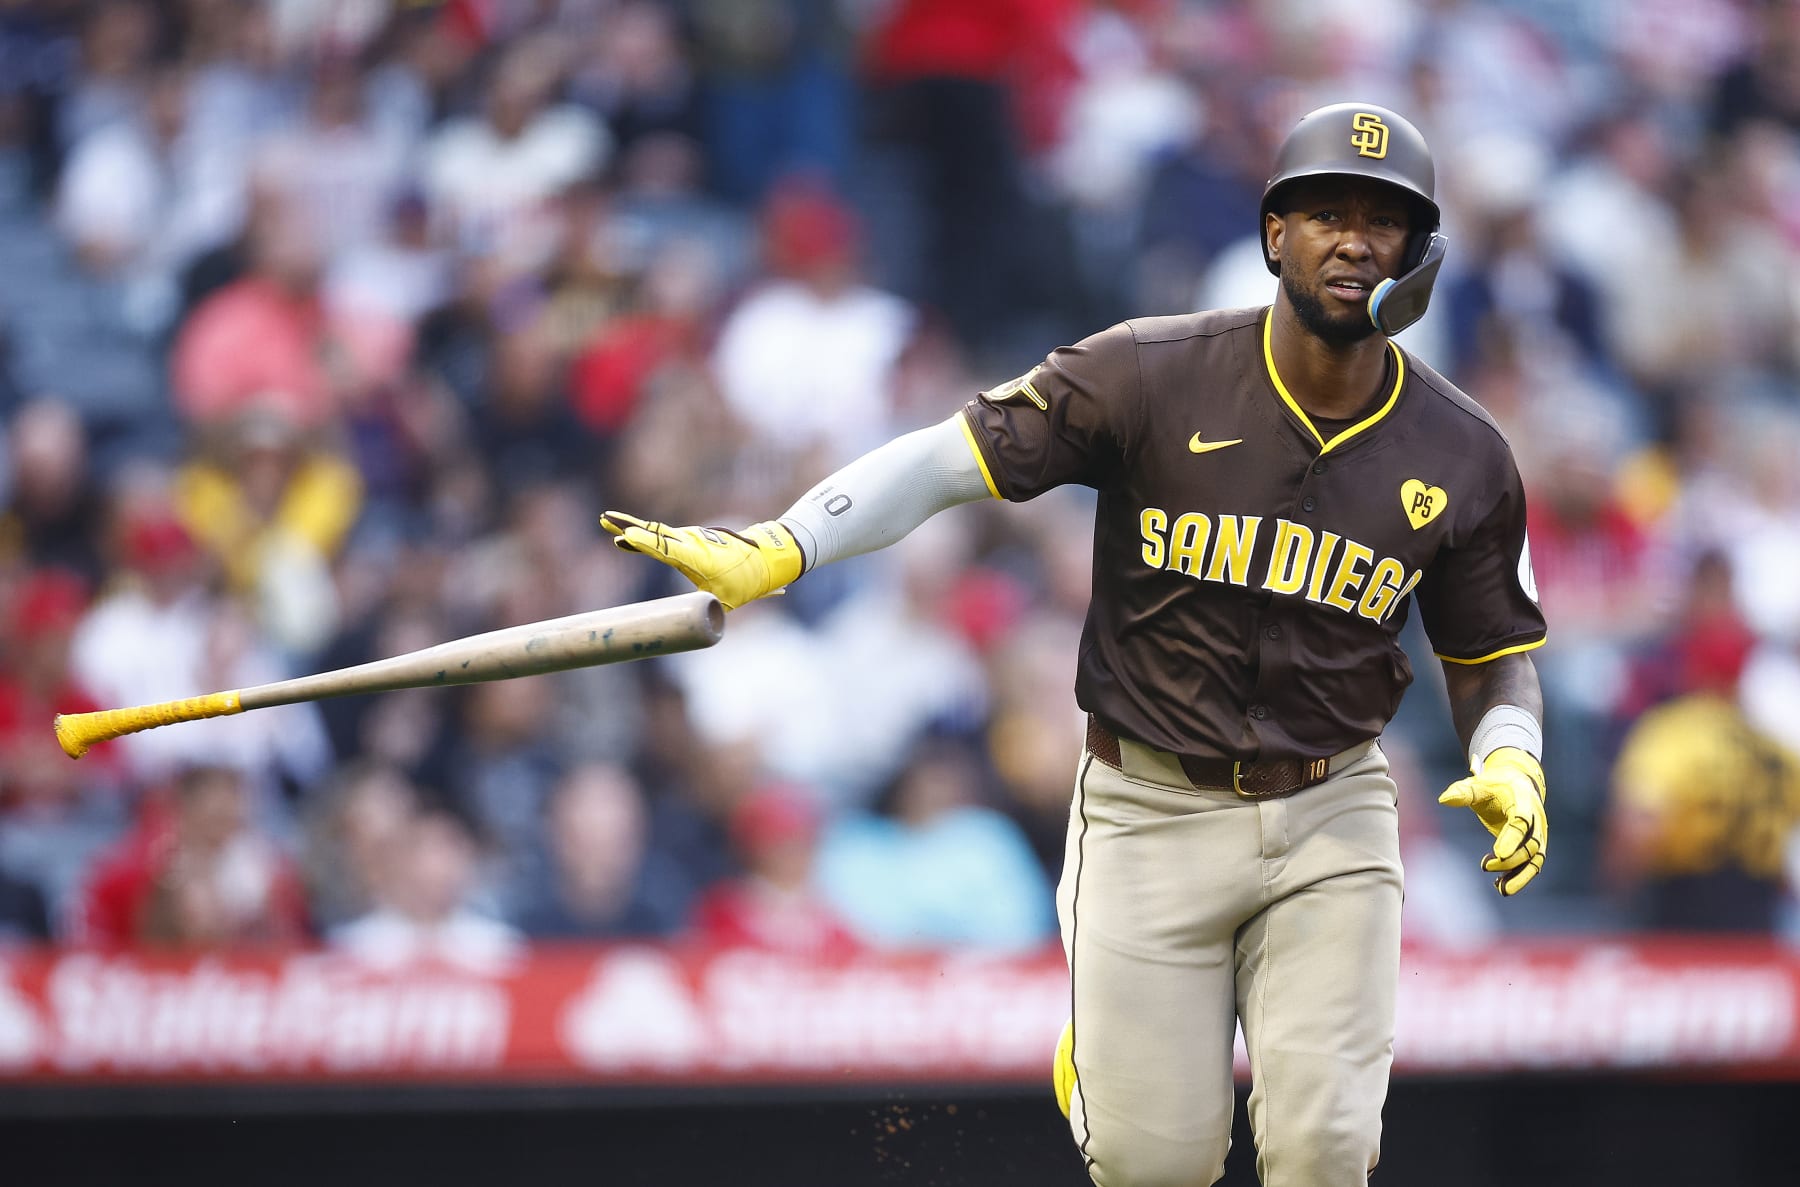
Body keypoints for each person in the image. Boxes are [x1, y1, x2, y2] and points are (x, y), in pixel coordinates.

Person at [601, 102, 1549, 1187]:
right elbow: (949, 459)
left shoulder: (1463, 450)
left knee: (1325, 1151)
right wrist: (787, 543)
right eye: (1323, 212)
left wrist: (1510, 751)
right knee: (1157, 1163)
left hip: (1332, 804)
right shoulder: (1152, 371)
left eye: (1383, 221)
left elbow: (1488, 650)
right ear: (1272, 235)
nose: (1351, 241)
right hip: (1149, 804)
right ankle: (1110, 1050)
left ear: (1419, 255)